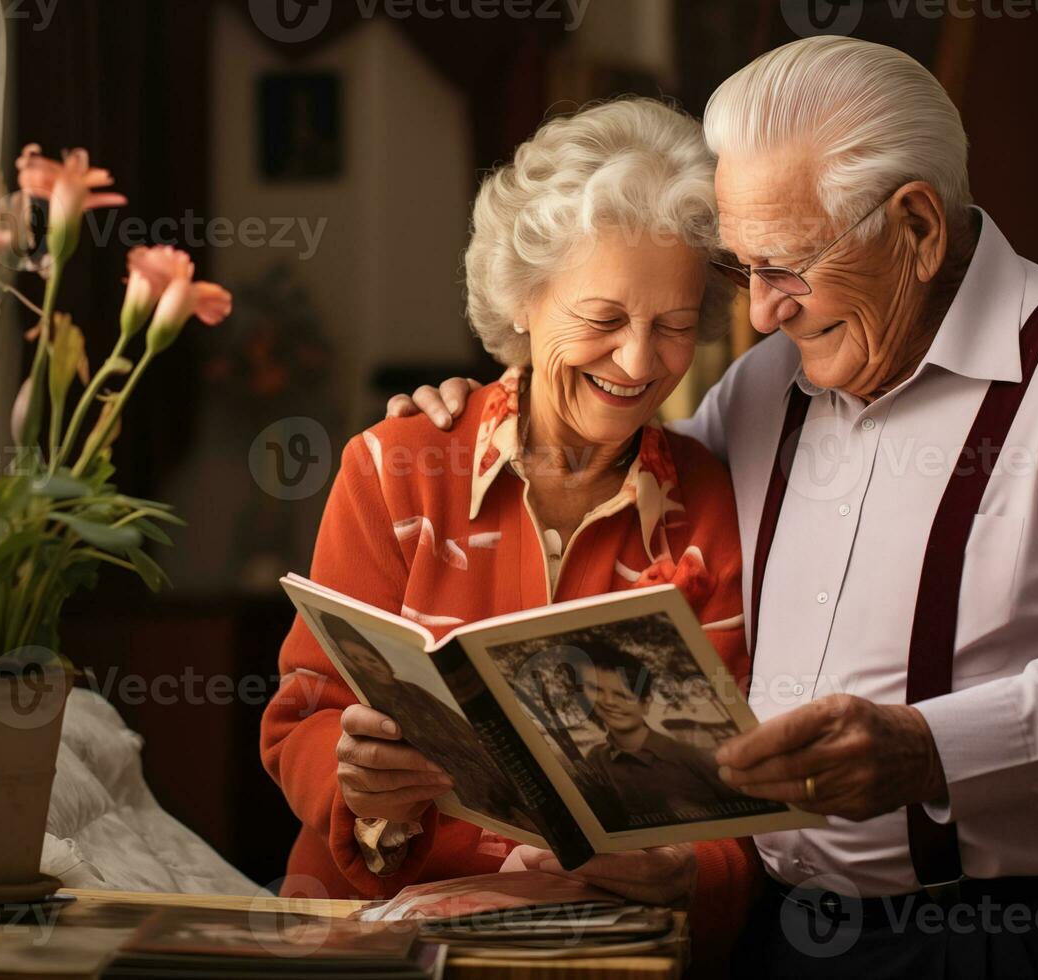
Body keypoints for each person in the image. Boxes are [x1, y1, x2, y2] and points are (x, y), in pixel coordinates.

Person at [386, 37, 1038, 977]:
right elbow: (613, 486)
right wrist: (475, 413)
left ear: (916, 227)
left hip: (1033, 940)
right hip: (790, 941)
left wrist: (930, 748)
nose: (762, 313)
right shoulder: (764, 389)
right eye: (742, 269)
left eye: (788, 266)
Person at [259, 97, 761, 967]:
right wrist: (362, 784)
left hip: (606, 951)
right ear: (523, 300)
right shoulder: (395, 467)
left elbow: (741, 798)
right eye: (603, 319)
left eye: (673, 327)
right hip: (387, 936)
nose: (640, 363)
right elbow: (302, 716)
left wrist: (687, 867)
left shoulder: (714, 501)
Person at [314, 612, 535, 829]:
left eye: (371, 658)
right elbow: (309, 718)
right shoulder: (375, 697)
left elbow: (460, 728)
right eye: (357, 660)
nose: (369, 665)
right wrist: (364, 787)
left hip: (487, 775)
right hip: (438, 808)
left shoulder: (415, 692)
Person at [571, 645, 748, 831]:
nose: (609, 702)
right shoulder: (596, 759)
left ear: (645, 704)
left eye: (621, 694)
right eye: (598, 691)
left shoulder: (689, 756)